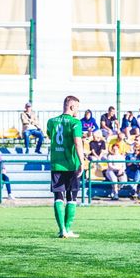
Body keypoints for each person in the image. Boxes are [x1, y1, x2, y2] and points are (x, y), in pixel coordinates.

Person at [47, 95, 84, 238]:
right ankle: (68, 229)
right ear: (72, 107)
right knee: (71, 197)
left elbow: (51, 136)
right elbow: (78, 143)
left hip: (56, 164)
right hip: (71, 164)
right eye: (77, 107)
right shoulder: (76, 123)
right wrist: (82, 162)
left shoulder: (51, 122)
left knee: (58, 196)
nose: (78, 110)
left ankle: (61, 229)